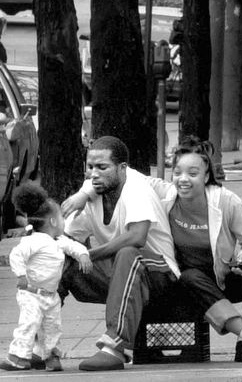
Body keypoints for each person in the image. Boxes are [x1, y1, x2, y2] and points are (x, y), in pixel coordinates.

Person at [68, 143, 242, 363]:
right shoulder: (166, 193)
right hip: (185, 281)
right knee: (191, 276)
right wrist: (85, 193)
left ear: (207, 175)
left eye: (193, 173)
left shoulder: (226, 202)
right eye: (177, 173)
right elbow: (121, 175)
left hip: (222, 277)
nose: (183, 179)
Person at [58, 136, 179, 372]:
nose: (94, 174)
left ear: (122, 168)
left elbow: (137, 237)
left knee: (128, 253)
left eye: (102, 167)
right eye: (90, 167)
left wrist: (89, 254)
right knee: (60, 258)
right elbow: (69, 237)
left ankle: (116, 347)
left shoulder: (136, 187)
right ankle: (38, 345)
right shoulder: (93, 193)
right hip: (121, 277)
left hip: (160, 276)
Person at [0, 182, 91, 372]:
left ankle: (51, 356)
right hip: (31, 293)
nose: (65, 223)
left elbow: (75, 247)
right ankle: (18, 357)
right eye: (62, 219)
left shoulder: (58, 241)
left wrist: (83, 255)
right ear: (53, 222)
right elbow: (16, 255)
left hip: (51, 296)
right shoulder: (33, 241)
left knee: (52, 327)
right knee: (29, 323)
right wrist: (21, 275)